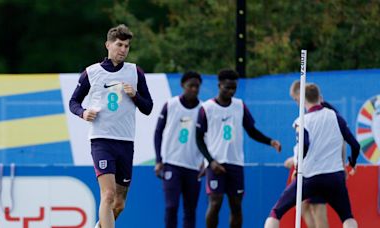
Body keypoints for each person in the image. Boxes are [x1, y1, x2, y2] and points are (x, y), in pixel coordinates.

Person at [69, 24, 153, 228]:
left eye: (126, 46)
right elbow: (74, 102)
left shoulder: (135, 72)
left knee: (119, 203)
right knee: (108, 195)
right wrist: (83, 112)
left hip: (125, 142)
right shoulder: (92, 72)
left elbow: (148, 108)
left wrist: (135, 95)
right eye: (119, 44)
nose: (123, 49)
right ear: (108, 45)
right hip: (101, 140)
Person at [264, 83, 360, 228]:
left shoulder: (302, 121)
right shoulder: (336, 117)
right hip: (334, 176)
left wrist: (297, 167)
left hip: (309, 176)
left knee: (276, 212)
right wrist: (351, 164)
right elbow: (355, 144)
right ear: (319, 97)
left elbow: (304, 146)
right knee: (347, 217)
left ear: (301, 100)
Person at [195, 69, 281, 228]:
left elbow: (251, 131)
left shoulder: (239, 106)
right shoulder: (207, 108)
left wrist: (270, 141)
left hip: (235, 163)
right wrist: (210, 161)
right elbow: (198, 138)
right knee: (215, 203)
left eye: (234, 88)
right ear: (219, 85)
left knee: (236, 205)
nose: (231, 91)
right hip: (216, 163)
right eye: (227, 87)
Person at [290, 80, 350, 228]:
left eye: (296, 99)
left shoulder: (325, 112)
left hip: (322, 168)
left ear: (301, 95)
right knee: (303, 206)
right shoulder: (312, 110)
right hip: (314, 167)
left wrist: (341, 163)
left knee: (318, 209)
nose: (296, 103)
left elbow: (339, 139)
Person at [154, 71, 204, 228]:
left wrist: (206, 162)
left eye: (197, 86)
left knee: (190, 210)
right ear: (183, 86)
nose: (194, 89)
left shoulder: (204, 109)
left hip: (193, 166)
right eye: (191, 86)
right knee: (171, 206)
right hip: (172, 164)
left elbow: (209, 138)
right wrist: (158, 160)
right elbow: (158, 132)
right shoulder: (171, 105)